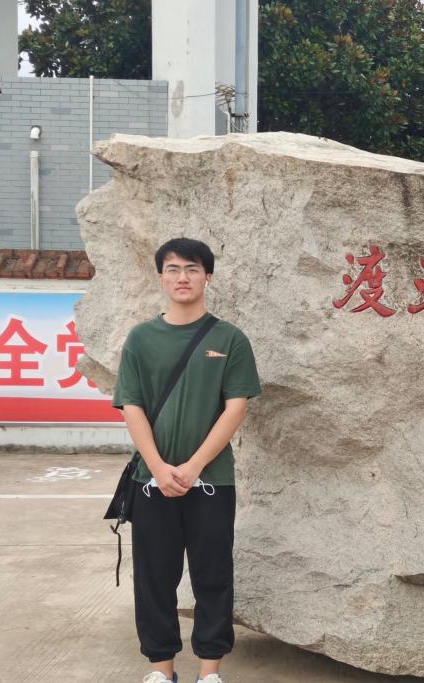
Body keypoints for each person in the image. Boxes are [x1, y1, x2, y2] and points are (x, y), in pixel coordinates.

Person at [112, 237, 261, 683]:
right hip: (151, 481)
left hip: (212, 481)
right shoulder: (141, 339)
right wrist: (159, 468)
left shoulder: (229, 339)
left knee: (212, 575)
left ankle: (209, 671)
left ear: (207, 277)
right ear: (161, 277)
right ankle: (162, 670)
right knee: (154, 578)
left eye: (192, 269)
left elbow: (236, 408)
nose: (183, 277)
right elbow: (132, 406)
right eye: (173, 269)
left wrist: (194, 467)